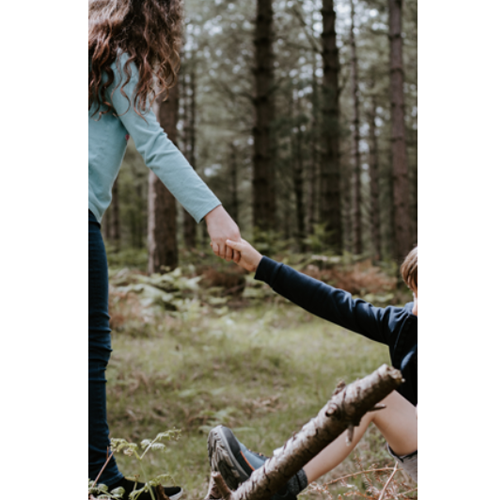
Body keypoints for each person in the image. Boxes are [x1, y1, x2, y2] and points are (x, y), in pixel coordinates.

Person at [89, 1, 241, 498]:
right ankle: (103, 483)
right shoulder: (120, 59)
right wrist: (213, 212)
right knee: (90, 347)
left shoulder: (89, 56)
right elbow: (153, 144)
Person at [208, 241, 418, 496]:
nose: (417, 307)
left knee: (377, 396)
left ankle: (281, 479)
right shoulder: (403, 322)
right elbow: (331, 302)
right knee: (365, 396)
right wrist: (260, 264)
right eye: (415, 292)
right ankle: (280, 477)